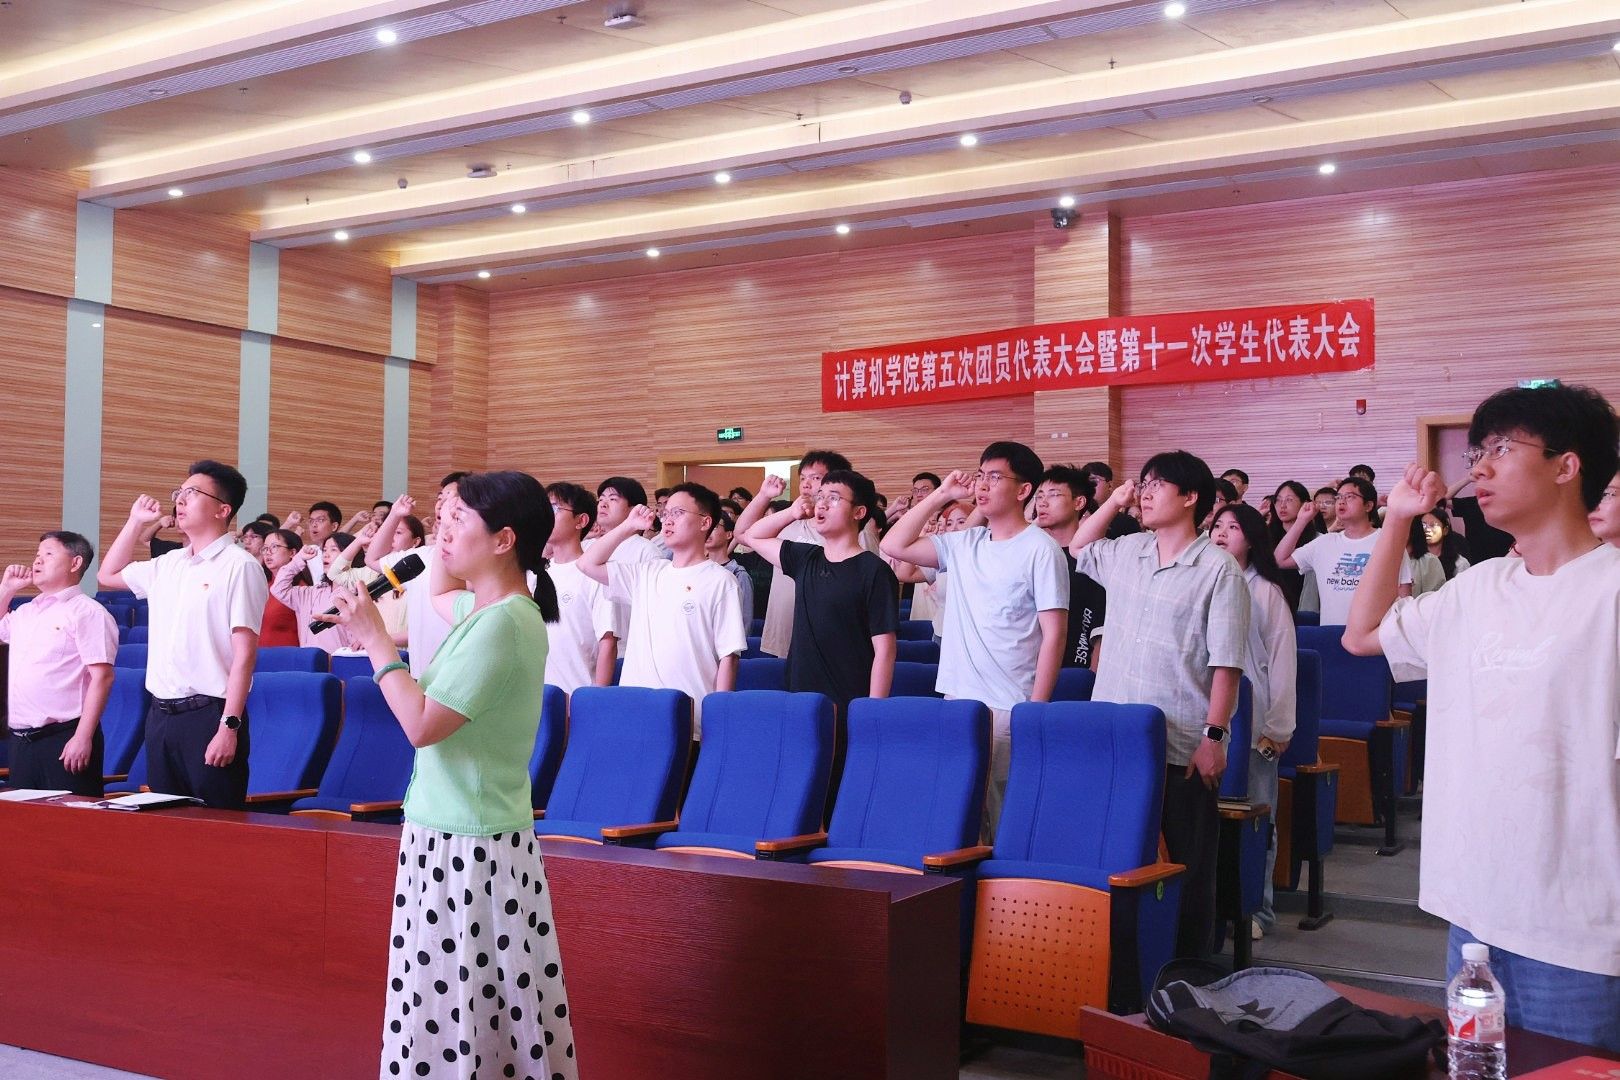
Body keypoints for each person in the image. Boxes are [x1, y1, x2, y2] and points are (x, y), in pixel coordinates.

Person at [1343, 383, 1620, 1051]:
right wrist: (1396, 520)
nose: (1479, 469)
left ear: (1566, 465)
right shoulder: (1477, 588)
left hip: (1580, 928)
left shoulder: (1610, 589)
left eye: (1501, 448)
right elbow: (1363, 634)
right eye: (1476, 453)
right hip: (1475, 917)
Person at [320, 470, 578, 1079]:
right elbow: (439, 588)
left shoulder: (504, 624)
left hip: (472, 843)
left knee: (465, 1004)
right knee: (443, 1000)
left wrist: (376, 641)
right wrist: (447, 522)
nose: (444, 531)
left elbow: (420, 725)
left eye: (461, 521)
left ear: (504, 539)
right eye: (444, 519)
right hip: (446, 830)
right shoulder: (479, 610)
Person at [1069, 450, 1248, 959]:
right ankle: (1123, 961)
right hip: (1115, 739)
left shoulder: (1218, 570)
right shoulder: (1129, 550)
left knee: (1184, 862)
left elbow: (1227, 664)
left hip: (1180, 742)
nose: (1145, 493)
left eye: (1157, 485)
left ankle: (1188, 968)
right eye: (1143, 484)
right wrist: (1115, 501)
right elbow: (1079, 544)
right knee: (1118, 856)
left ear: (1190, 497)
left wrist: (1215, 737)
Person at [881, 441, 1068, 839]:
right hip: (958, 699)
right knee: (959, 817)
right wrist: (941, 495)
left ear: (1023, 490)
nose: (983, 485)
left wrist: (1036, 709)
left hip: (1009, 705)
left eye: (995, 477)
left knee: (1003, 817)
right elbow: (893, 546)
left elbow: (1055, 634)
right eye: (981, 475)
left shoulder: (1040, 549)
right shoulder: (966, 543)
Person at [98, 461, 266, 809]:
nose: (181, 499)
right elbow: (107, 575)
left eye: (193, 493)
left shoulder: (240, 566)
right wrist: (135, 522)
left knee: (215, 825)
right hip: (161, 715)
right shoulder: (169, 563)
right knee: (167, 823)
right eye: (180, 492)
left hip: (209, 715)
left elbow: (245, 655)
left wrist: (229, 727)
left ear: (223, 510)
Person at [578, 482, 746, 737]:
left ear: (704, 522)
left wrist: (718, 722)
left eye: (678, 513)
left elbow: (729, 658)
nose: (668, 520)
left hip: (690, 721)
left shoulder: (721, 581)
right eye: (665, 513)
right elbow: (587, 564)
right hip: (634, 713)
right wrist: (628, 526)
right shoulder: (648, 572)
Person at [1209, 503, 1295, 939]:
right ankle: (1214, 907)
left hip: (1254, 719)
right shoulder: (1202, 580)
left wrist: (1277, 728)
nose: (1222, 533)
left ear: (1252, 539)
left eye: (1234, 527)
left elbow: (1282, 661)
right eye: (1217, 525)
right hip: (1207, 718)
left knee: (1258, 815)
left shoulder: (1265, 592)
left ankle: (1258, 910)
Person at [742, 469, 898, 708]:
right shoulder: (806, 557)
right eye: (820, 496)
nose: (822, 504)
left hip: (850, 698)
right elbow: (752, 536)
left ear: (859, 512)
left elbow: (885, 650)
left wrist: (872, 710)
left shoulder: (874, 570)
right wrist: (791, 513)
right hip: (801, 696)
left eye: (833, 498)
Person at [0, 532, 118, 796]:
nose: (37, 561)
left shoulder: (88, 612)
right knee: (24, 820)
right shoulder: (27, 611)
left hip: (64, 738)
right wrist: (6, 589)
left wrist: (83, 737)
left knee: (70, 820)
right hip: (21, 741)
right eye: (37, 555)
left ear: (75, 563)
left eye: (49, 554)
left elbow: (103, 677)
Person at [740, 451, 856, 660]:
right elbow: (742, 534)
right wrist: (764, 495)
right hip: (783, 635)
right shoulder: (788, 522)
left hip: (829, 640)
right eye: (802, 478)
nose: (806, 484)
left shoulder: (852, 532)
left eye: (815, 478)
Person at [365, 473, 465, 679]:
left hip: (458, 676)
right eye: (440, 497)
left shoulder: (475, 558)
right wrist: (394, 515)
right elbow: (373, 558)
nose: (441, 504)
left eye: (450, 497)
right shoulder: (420, 556)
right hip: (421, 672)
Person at [1276, 476, 1411, 626]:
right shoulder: (1324, 542)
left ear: (1368, 505)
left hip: (1374, 635)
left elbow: (1404, 595)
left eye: (1350, 497)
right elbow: (1280, 560)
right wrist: (1302, 520)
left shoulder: (1388, 541)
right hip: (1330, 633)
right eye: (1338, 497)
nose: (1341, 501)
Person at [543, 481, 618, 694]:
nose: (546, 516)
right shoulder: (537, 574)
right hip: (536, 697)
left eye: (554, 509)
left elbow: (607, 642)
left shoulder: (596, 575)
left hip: (576, 694)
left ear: (581, 520)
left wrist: (593, 701)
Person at [1033, 465, 1106, 671]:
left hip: (1074, 668)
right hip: (1027, 668)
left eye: (1054, 495)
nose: (1043, 502)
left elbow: (1101, 627)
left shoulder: (1092, 558)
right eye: (1039, 496)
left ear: (1079, 502)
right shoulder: (1032, 554)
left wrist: (1091, 677)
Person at [270, 534, 355, 654]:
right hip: (308, 662)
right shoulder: (311, 593)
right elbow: (278, 588)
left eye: (333, 549)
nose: (325, 554)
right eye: (324, 550)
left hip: (341, 662)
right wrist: (298, 560)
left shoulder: (356, 594)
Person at [1268, 480, 1322, 612]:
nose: (1282, 505)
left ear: (1304, 504)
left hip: (1304, 610)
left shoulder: (1317, 540)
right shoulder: (1265, 537)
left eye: (1289, 500)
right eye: (1278, 500)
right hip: (1272, 607)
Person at [1406, 507, 1470, 596]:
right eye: (1423, 525)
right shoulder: (1413, 559)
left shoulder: (1460, 563)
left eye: (1432, 525)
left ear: (1445, 530)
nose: (1427, 529)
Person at [705, 510, 755, 622]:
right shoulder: (697, 569)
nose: (708, 531)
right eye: (706, 525)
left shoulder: (739, 575)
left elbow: (744, 620)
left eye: (715, 527)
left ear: (728, 534)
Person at [258, 528, 302, 647]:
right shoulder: (262, 585)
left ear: (292, 553)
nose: (268, 552)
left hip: (286, 654)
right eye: (265, 548)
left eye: (274, 547)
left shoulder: (300, 589)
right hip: (259, 654)